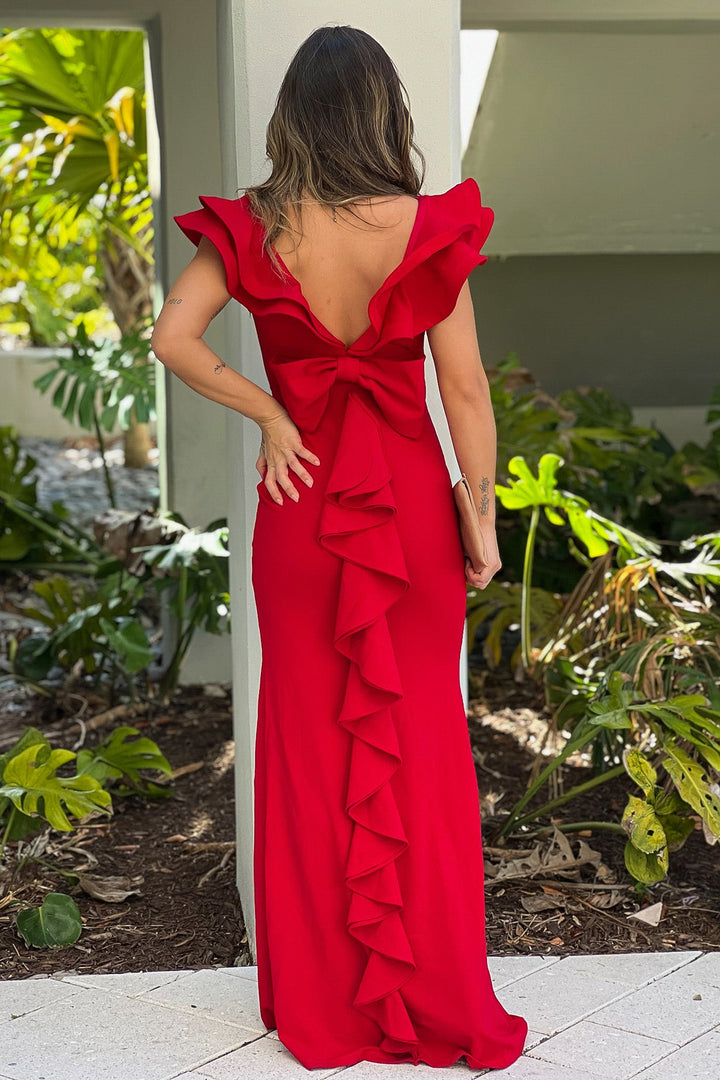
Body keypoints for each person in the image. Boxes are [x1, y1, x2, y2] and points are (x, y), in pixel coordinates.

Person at [150, 22, 528, 1072]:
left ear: (295, 119)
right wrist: (481, 517)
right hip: (408, 514)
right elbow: (464, 390)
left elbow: (172, 337)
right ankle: (436, 996)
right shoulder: (425, 228)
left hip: (302, 505)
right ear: (383, 113)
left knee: (312, 751)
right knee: (424, 749)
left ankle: (327, 1003)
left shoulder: (257, 226)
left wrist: (270, 413)